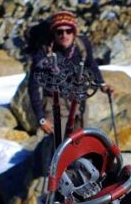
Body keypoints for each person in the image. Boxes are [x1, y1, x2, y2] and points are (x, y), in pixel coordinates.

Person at [27, 10, 111, 139]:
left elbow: (91, 64)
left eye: (68, 31)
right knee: (58, 144)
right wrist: (41, 118)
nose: (64, 35)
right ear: (54, 33)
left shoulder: (82, 45)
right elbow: (33, 86)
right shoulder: (44, 53)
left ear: (74, 32)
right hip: (55, 104)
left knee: (80, 141)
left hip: (79, 102)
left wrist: (102, 84)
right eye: (59, 32)